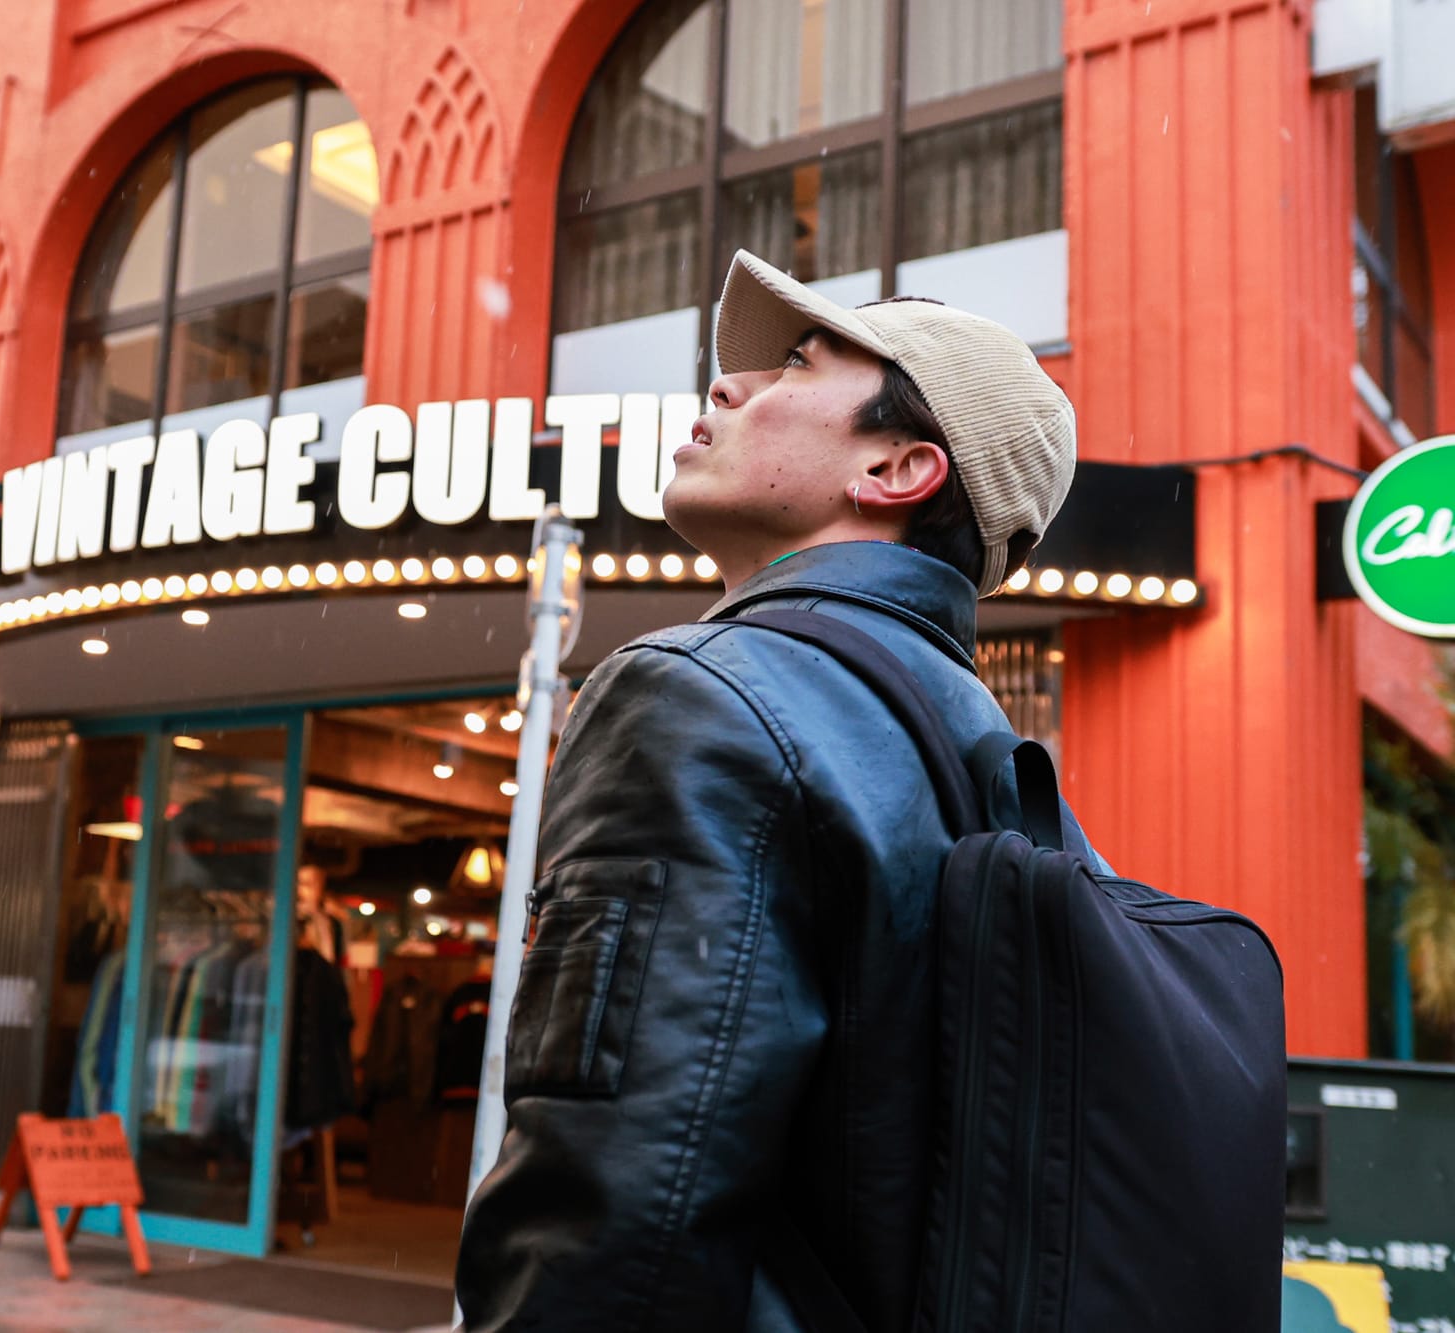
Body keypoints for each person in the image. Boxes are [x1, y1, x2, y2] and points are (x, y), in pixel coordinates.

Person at [454, 250, 1107, 1330]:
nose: (728, 384)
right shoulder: (978, 745)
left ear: (896, 472)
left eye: (797, 364)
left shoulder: (700, 695)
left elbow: (617, 1202)